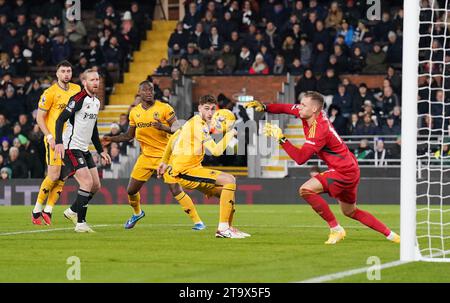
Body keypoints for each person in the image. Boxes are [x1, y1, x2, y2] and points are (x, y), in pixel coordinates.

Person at [245, 93, 400, 244]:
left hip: (342, 171)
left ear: (314, 109)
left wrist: (281, 138)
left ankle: (336, 229)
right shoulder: (310, 113)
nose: (299, 107)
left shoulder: (319, 129)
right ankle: (392, 235)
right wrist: (264, 107)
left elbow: (300, 159)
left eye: (303, 105)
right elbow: (286, 108)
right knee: (350, 211)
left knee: (305, 190)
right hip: (350, 168)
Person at [102, 81, 205, 230]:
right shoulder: (134, 112)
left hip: (166, 156)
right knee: (131, 190)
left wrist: (163, 127)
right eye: (145, 90)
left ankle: (198, 222)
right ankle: (137, 213)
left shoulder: (164, 108)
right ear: (139, 93)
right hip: (146, 157)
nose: (149, 92)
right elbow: (128, 136)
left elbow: (178, 128)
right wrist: (110, 139)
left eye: (151, 89)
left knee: (175, 189)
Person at [158, 95, 250, 239]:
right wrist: (230, 133)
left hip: (192, 168)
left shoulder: (193, 122)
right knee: (229, 179)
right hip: (184, 170)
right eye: (206, 108)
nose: (210, 112)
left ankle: (229, 228)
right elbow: (216, 151)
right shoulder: (198, 125)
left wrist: (163, 162)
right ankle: (223, 229)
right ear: (199, 108)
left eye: (213, 109)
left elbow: (172, 139)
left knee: (226, 192)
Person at [55, 69, 111, 233]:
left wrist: (100, 150)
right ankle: (81, 223)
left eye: (97, 80)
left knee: (96, 185)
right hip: (71, 148)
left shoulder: (96, 102)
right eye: (92, 80)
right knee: (86, 183)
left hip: (84, 149)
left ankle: (71, 211)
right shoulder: (78, 99)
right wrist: (58, 142)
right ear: (84, 82)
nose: (96, 82)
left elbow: (93, 129)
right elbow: (60, 120)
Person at [31, 60, 81, 225]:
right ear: (57, 74)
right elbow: (39, 117)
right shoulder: (50, 92)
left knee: (63, 177)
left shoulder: (76, 89)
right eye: (63, 71)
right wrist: (50, 137)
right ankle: (36, 210)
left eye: (69, 71)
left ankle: (48, 211)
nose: (66, 74)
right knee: (53, 174)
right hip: (55, 139)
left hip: (70, 140)